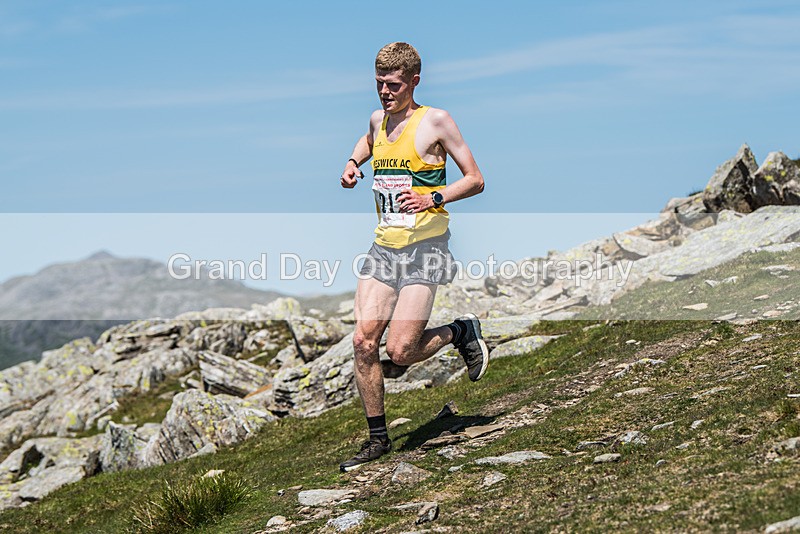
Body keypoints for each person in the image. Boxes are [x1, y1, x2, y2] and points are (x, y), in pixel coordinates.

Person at [338, 42, 487, 472]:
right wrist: (352, 162)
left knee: (400, 351)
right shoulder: (377, 119)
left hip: (426, 250)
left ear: (415, 81)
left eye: (395, 85)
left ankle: (461, 332)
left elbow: (475, 180)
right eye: (379, 84)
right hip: (384, 248)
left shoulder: (436, 121)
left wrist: (432, 196)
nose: (386, 93)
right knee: (364, 341)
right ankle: (377, 439)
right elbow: (368, 141)